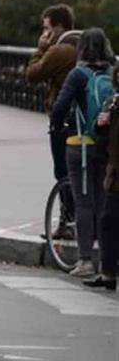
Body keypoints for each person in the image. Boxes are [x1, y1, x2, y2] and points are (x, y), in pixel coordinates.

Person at [51, 28, 116, 278]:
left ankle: (86, 260)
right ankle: (107, 261)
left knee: (83, 202)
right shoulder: (113, 73)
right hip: (108, 146)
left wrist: (56, 127)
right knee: (104, 202)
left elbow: (60, 108)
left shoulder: (77, 75)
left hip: (81, 144)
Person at [26, 4, 81, 240]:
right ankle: (85, 224)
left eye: (46, 27)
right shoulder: (84, 47)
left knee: (64, 171)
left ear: (57, 27)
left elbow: (33, 73)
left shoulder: (60, 51)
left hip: (65, 119)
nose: (44, 32)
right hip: (87, 119)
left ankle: (67, 223)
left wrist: (41, 48)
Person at [84, 67, 119, 291]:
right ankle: (108, 272)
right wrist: (102, 121)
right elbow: (101, 132)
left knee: (109, 220)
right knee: (108, 220)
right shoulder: (115, 100)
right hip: (115, 171)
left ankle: (108, 272)